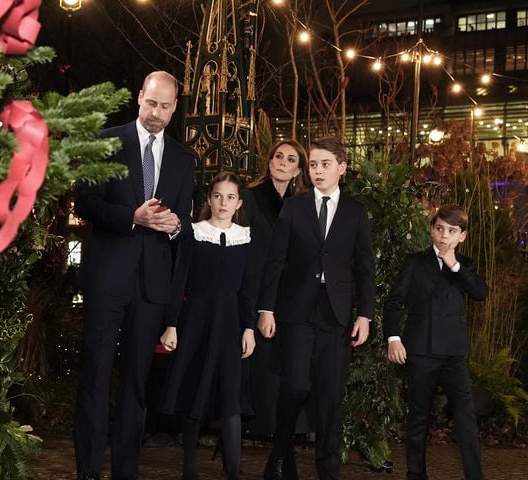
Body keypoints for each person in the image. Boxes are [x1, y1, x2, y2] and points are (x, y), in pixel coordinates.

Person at [73, 70, 195, 480]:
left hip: (151, 287)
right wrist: (133, 217)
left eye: (165, 106)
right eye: (151, 103)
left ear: (175, 107)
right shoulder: (105, 141)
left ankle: (126, 471)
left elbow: (183, 226)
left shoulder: (183, 158)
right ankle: (88, 471)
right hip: (107, 281)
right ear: (139, 97)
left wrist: (175, 226)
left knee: (136, 385)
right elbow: (85, 203)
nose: (156, 112)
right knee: (94, 376)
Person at [257, 136, 375, 480]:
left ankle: (328, 471)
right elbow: (276, 260)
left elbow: (365, 267)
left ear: (342, 168)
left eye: (325, 164)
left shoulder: (355, 212)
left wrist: (365, 315)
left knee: (330, 397)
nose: (318, 170)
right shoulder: (294, 207)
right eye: (313, 165)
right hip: (296, 311)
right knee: (295, 387)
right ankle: (279, 455)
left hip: (336, 315)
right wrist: (266, 308)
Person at [159, 171, 256, 480]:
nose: (223, 202)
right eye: (218, 196)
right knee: (195, 390)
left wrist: (249, 328)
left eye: (230, 197)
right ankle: (189, 467)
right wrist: (171, 324)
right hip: (197, 323)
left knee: (231, 396)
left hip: (231, 325)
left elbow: (248, 289)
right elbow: (179, 281)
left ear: (238, 202)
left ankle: (234, 472)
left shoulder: (246, 237)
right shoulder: (194, 233)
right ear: (209, 200)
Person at [383, 204, 488, 480]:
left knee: (465, 416)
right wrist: (393, 338)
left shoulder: (465, 266)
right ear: (431, 230)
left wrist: (454, 264)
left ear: (461, 236)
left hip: (454, 354)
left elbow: (480, 293)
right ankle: (416, 475)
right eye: (439, 228)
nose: (444, 236)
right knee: (418, 416)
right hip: (421, 351)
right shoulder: (415, 262)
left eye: (451, 231)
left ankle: (475, 475)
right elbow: (393, 302)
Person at [242, 140, 310, 445]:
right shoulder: (250, 197)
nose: (282, 162)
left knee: (287, 363)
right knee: (259, 360)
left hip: (291, 296)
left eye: (290, 159)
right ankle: (256, 424)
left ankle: (286, 428)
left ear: (298, 169)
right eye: (278, 156)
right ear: (269, 162)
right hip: (256, 287)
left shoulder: (302, 204)